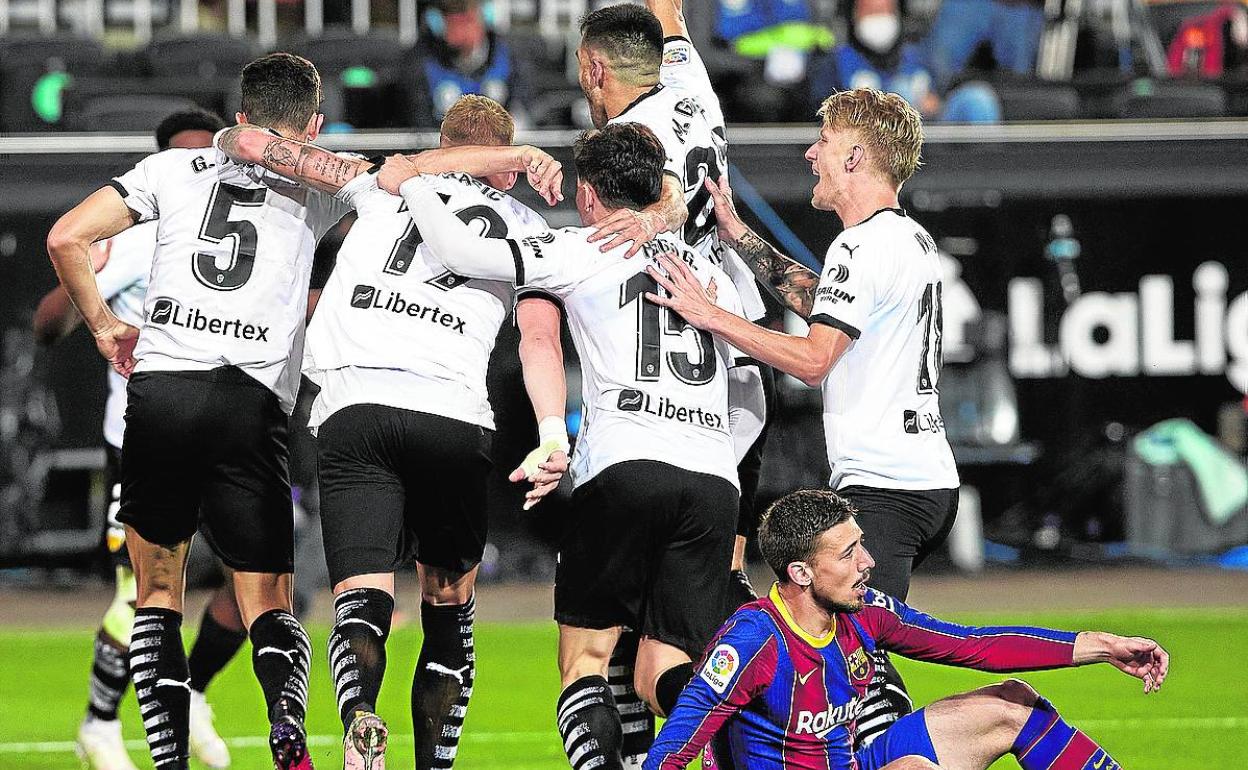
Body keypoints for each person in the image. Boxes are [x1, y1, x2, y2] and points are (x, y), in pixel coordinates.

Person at [377, 122, 745, 770]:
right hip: (715, 480)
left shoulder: (580, 247)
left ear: (590, 195)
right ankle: (747, 748)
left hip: (627, 466)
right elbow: (748, 375)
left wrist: (414, 180)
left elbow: (464, 251)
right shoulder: (708, 267)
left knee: (584, 664)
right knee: (662, 669)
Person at [216, 94, 569, 770]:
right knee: (448, 604)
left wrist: (409, 166)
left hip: (356, 409)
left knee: (361, 596)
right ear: (504, 163)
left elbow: (247, 142)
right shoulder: (529, 229)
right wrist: (552, 430)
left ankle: (359, 717)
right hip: (452, 415)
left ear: (445, 143)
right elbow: (539, 341)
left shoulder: (376, 183)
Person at [45, 52, 371, 770]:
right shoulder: (322, 187)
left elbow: (65, 237)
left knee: (156, 593)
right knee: (269, 599)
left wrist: (104, 326)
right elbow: (403, 192)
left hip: (160, 395)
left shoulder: (169, 170)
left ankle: (167, 759)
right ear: (314, 125)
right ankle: (287, 730)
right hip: (248, 402)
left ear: (241, 114)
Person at [643, 87, 959, 745]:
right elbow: (823, 304)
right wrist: (737, 234)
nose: (811, 154)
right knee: (829, 656)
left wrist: (709, 314)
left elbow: (815, 359)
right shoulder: (907, 238)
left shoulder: (860, 246)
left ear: (854, 156)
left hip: (885, 490)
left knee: (839, 674)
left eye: (823, 142)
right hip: (921, 480)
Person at [576, 4, 775, 760]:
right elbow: (673, 16)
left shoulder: (632, 140)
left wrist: (652, 217)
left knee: (644, 604)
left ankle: (763, 720)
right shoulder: (690, 81)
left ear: (595, 68)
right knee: (699, 589)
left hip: (686, 365)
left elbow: (661, 191)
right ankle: (745, 724)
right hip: (734, 354)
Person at [646, 488, 1169, 770]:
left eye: (861, 546)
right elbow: (674, 747)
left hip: (852, 764)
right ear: (801, 573)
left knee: (1012, 704)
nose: (868, 562)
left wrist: (1102, 645)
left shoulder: (864, 611)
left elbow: (972, 645)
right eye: (848, 554)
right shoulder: (753, 641)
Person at [35, 108, 240, 770]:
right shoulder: (134, 237)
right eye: (180, 156)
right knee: (144, 592)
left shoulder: (242, 231)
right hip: (143, 441)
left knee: (264, 582)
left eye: (204, 154)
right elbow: (47, 325)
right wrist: (83, 284)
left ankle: (194, 691)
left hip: (226, 436)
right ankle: (99, 725)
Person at [809, 0, 1001, 123]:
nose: (879, 19)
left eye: (886, 11)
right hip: (873, 143)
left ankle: (983, 169)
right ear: (853, 16)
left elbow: (942, 89)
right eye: (871, 11)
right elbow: (822, 111)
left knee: (977, 99)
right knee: (900, 94)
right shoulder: (836, 61)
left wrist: (934, 100)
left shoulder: (918, 54)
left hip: (930, 131)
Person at [411, 0, 534, 127]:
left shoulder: (508, 54)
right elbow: (419, 118)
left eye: (467, 21)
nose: (460, 29)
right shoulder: (422, 61)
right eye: (453, 22)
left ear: (482, 21)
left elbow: (523, 105)